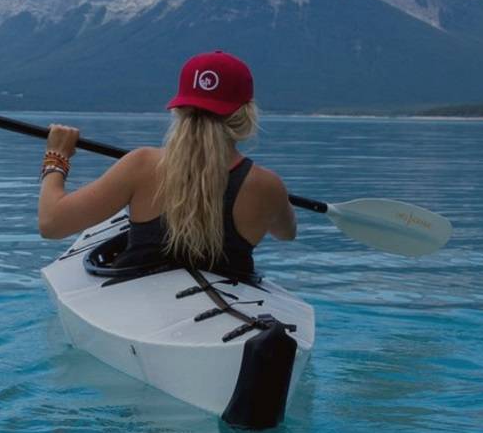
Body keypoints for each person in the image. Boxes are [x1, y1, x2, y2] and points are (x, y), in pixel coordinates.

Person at [35, 51, 296, 281]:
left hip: (137, 303)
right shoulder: (267, 186)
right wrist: (274, 201)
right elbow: (286, 234)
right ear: (246, 115)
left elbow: (52, 224)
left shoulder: (142, 165)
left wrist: (56, 158)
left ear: (179, 109)